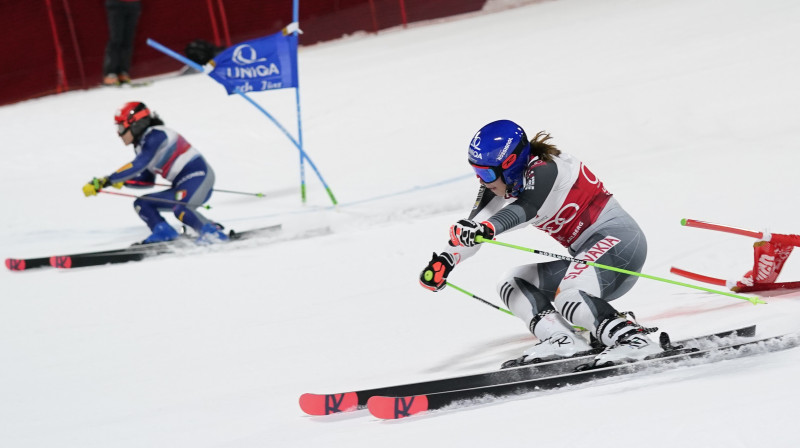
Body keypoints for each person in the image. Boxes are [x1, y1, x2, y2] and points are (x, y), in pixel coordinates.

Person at [419, 119, 662, 367]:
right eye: (477, 172)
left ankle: (634, 341)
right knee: (512, 282)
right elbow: (475, 225)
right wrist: (446, 260)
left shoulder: (546, 168)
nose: (482, 181)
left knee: (570, 293)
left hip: (619, 242)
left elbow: (527, 207)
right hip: (592, 262)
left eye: (486, 173)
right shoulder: (504, 181)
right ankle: (563, 339)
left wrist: (487, 228)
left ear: (510, 164)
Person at [82, 101, 228, 244]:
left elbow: (138, 165)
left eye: (121, 128)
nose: (119, 134)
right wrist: (123, 181)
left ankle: (211, 232)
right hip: (182, 185)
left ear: (135, 124)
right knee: (142, 204)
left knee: (180, 207)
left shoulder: (156, 135)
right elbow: (147, 180)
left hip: (198, 176)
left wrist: (108, 180)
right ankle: (164, 232)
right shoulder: (142, 146)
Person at [103, 0, 142, 86]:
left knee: (128, 40)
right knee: (116, 39)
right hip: (116, 4)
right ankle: (110, 73)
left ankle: (123, 72)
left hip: (133, 4)